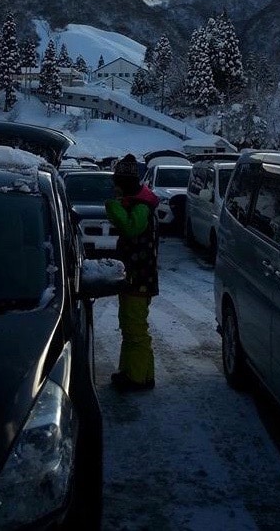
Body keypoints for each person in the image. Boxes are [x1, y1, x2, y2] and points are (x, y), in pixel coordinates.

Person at [105, 153, 160, 391]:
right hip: (133, 276)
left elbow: (130, 228)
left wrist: (113, 205)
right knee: (128, 325)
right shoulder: (136, 204)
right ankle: (132, 372)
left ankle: (139, 378)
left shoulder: (141, 207)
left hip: (140, 278)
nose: (114, 188)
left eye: (117, 183)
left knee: (136, 328)